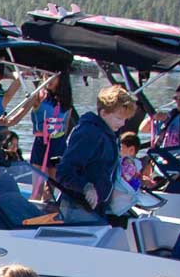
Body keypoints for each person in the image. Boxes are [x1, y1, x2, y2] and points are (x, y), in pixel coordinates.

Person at [53, 85, 135, 222]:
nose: (122, 124)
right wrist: (86, 187)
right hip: (78, 210)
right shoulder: (89, 133)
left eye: (125, 120)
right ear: (103, 113)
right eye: (119, 118)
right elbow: (63, 172)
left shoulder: (109, 133)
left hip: (97, 209)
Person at [27, 73, 75, 185]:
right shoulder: (38, 96)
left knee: (53, 184)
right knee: (37, 187)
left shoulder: (66, 100)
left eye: (52, 76)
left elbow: (66, 125)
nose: (49, 79)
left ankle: (50, 194)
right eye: (46, 76)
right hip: (40, 143)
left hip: (58, 144)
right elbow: (22, 111)